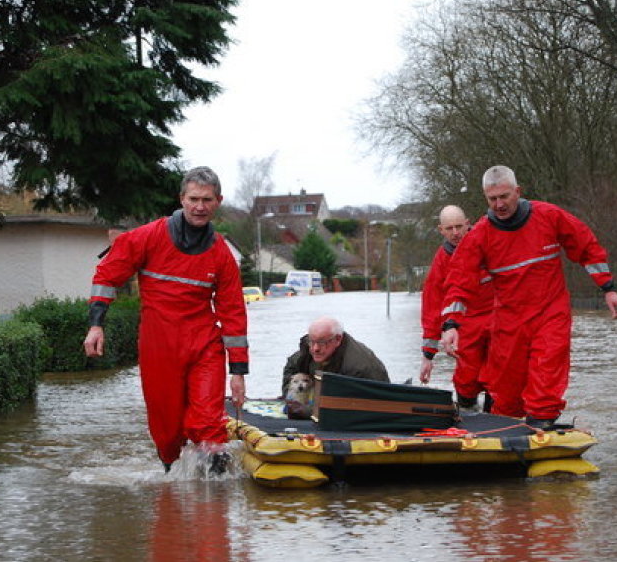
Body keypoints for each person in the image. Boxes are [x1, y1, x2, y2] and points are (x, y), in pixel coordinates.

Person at [83, 166, 247, 473]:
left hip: (204, 346)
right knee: (168, 431)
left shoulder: (221, 253)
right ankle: (173, 490)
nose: (200, 207)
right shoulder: (147, 238)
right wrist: (96, 324)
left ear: (218, 201)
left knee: (208, 424)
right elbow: (107, 274)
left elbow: (234, 312)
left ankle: (215, 507)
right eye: (194, 199)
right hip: (159, 347)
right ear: (182, 198)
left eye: (207, 200)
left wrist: (238, 371)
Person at [440, 166, 617, 430]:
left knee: (546, 373)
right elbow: (458, 282)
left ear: (518, 191)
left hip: (551, 313)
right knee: (506, 391)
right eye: (492, 199)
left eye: (504, 196)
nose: (499, 204)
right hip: (509, 321)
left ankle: (542, 421)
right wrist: (451, 325)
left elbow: (585, 246)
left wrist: (608, 288)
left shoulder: (549, 216)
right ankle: (505, 427)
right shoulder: (480, 235)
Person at [419, 205, 494, 410]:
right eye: (449, 228)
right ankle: (469, 415)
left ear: (468, 224)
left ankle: (497, 418)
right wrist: (428, 355)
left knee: (498, 378)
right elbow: (432, 309)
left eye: (459, 226)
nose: (455, 233)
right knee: (466, 381)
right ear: (441, 230)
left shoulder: (489, 245)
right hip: (465, 327)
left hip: (498, 321)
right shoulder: (441, 263)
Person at [280, 316, 389, 417]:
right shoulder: (310, 348)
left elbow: (349, 406)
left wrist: (307, 411)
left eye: (322, 342)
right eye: (312, 342)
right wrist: (291, 397)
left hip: (372, 409)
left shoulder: (357, 366)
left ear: (338, 339)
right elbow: (291, 366)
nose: (315, 349)